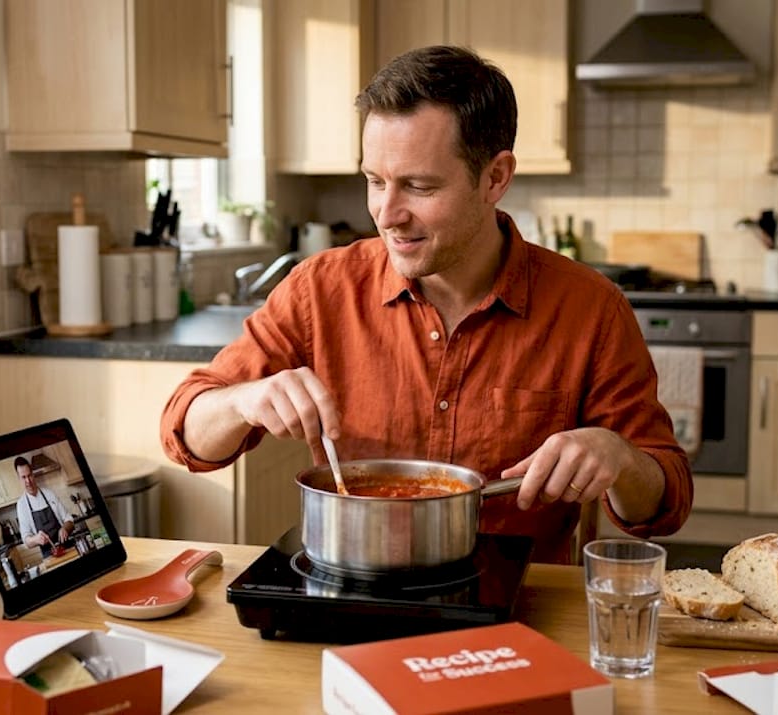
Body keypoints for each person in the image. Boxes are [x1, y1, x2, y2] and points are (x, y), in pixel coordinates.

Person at [160, 45, 692, 563]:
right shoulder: (319, 290)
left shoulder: (590, 309)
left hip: (519, 606)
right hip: (354, 591)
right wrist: (242, 400)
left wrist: (619, 459)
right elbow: (185, 434)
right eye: (374, 181)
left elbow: (665, 502)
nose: (387, 214)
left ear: (495, 178)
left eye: (418, 186)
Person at [14, 456, 74, 557]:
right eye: (24, 477)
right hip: (48, 555)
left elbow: (69, 520)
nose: (28, 481)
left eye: (29, 475)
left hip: (66, 548)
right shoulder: (21, 505)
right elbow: (26, 540)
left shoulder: (49, 494)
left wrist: (65, 528)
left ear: (33, 474)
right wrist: (35, 539)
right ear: (19, 479)